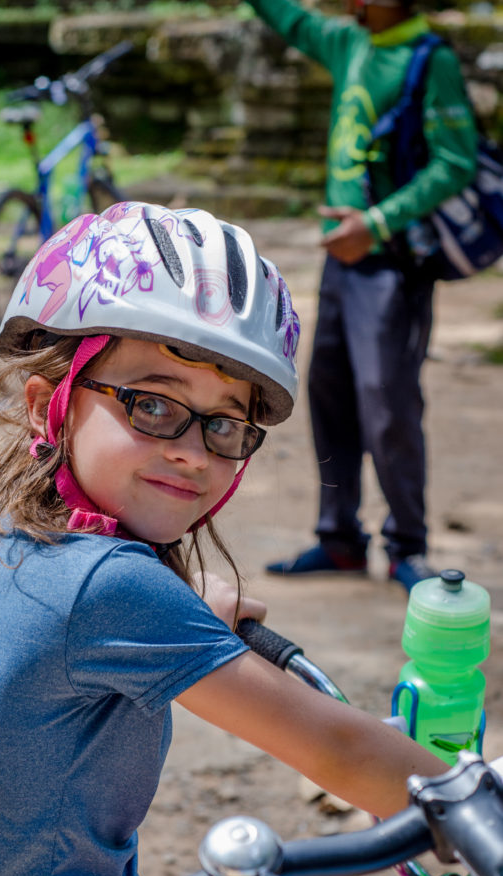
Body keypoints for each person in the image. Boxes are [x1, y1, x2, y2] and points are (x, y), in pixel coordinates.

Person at [0, 203, 481, 876]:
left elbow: (86, 623)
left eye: (225, 423)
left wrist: (192, 614)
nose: (191, 449)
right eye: (151, 405)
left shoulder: (20, 534)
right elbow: (341, 747)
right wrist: (479, 805)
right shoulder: (110, 590)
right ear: (44, 404)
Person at [247, 0, 478, 593]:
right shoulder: (351, 44)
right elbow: (289, 20)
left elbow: (456, 162)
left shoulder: (429, 59)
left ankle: (408, 546)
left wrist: (374, 224)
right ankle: (339, 539)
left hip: (391, 265)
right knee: (327, 391)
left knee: (387, 400)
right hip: (340, 262)